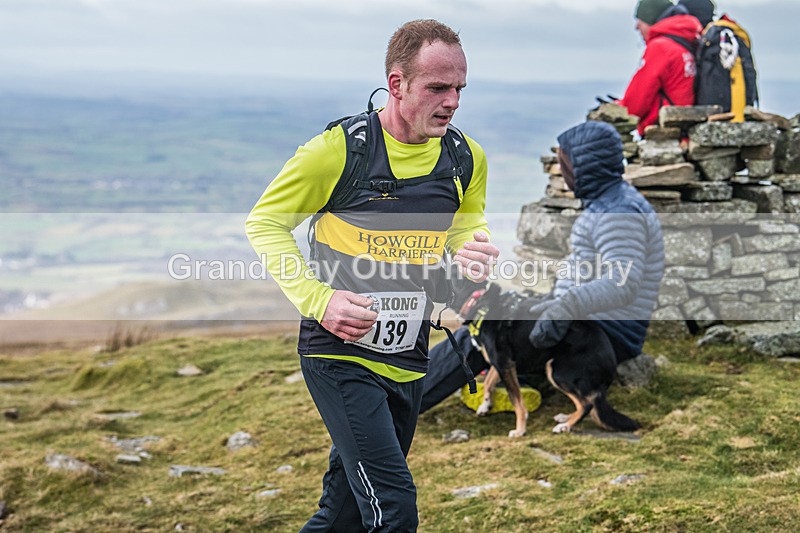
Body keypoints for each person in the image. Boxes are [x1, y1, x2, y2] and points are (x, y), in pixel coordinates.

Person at [246, 19, 498, 532]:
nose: (451, 102)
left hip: (408, 357)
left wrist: (472, 251)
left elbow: (466, 224)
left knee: (341, 518)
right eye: (437, 88)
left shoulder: (465, 158)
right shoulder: (340, 151)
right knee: (394, 509)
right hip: (337, 352)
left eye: (459, 89)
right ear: (397, 84)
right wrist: (319, 300)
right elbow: (266, 222)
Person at [528, 120, 665, 366]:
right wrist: (554, 300)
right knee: (492, 325)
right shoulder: (606, 202)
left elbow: (621, 282)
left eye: (566, 163)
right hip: (591, 321)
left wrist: (567, 306)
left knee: (482, 337)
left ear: (585, 166)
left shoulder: (619, 212)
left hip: (608, 333)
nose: (562, 171)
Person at [618, 0, 703, 135]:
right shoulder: (686, 42)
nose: (636, 27)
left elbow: (635, 105)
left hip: (663, 131)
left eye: (640, 21)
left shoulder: (660, 47)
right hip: (686, 130)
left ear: (651, 19)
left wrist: (618, 108)